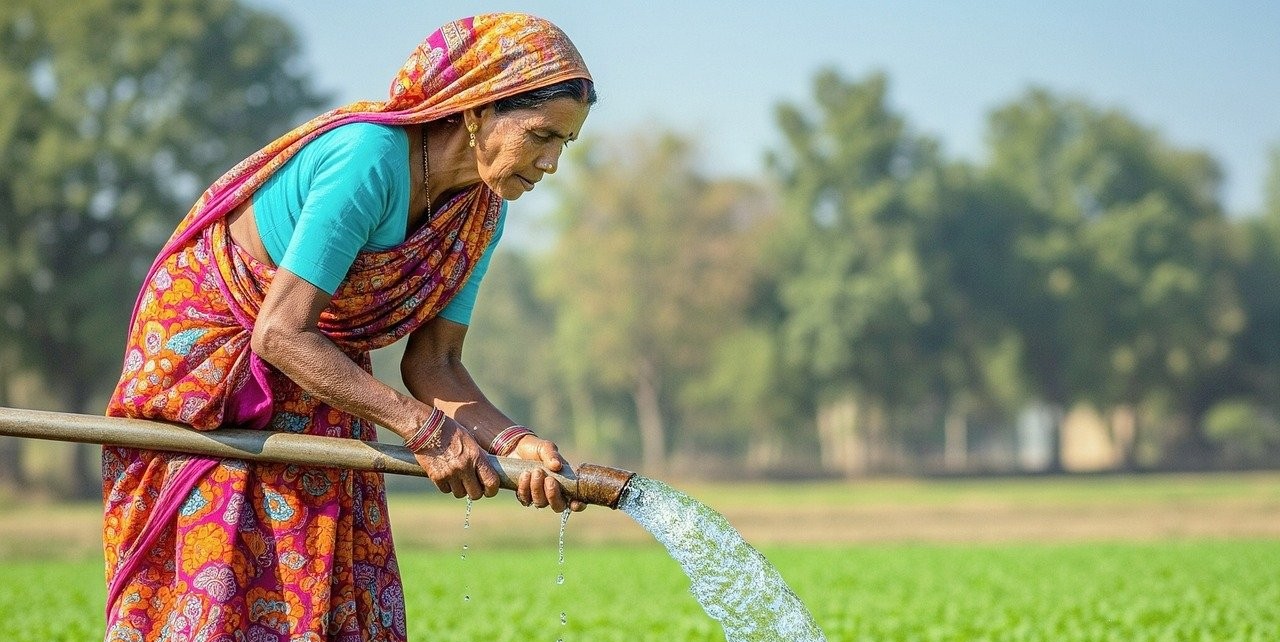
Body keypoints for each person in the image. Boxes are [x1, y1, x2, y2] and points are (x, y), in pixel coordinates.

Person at [101, 13, 595, 641]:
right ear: (479, 109)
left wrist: (513, 443)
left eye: (566, 144)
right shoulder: (370, 159)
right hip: (213, 364)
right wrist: (422, 428)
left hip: (319, 363)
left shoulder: (480, 215)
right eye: (542, 135)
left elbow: (433, 364)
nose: (551, 162)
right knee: (219, 570)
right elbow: (278, 333)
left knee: (323, 571)